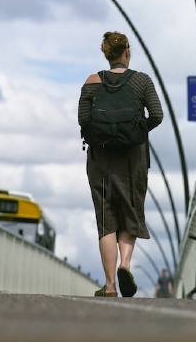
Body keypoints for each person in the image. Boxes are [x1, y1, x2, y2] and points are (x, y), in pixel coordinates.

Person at [78, 31, 163, 297]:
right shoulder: (141, 81)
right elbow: (157, 115)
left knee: (106, 220)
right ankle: (125, 265)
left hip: (100, 158)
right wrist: (137, 132)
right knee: (130, 210)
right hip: (133, 158)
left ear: (106, 53)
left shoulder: (92, 82)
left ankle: (110, 285)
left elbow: (83, 120)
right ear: (127, 52)